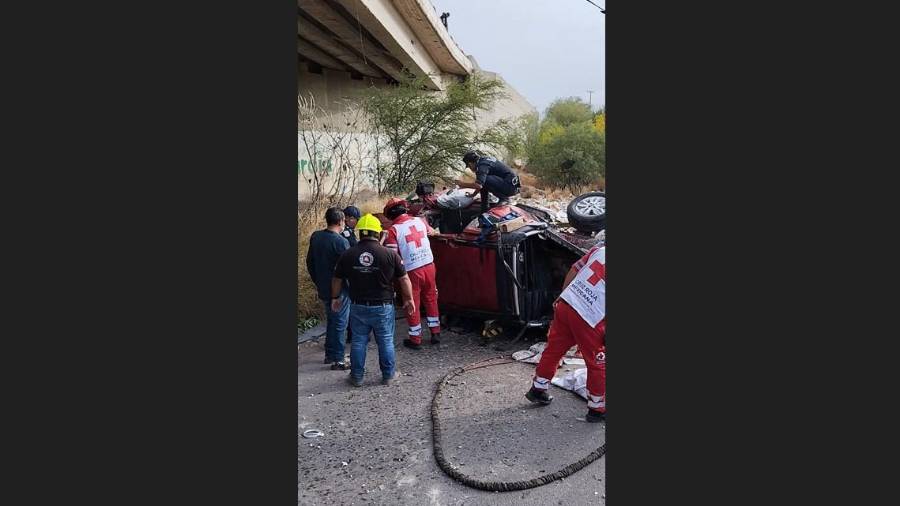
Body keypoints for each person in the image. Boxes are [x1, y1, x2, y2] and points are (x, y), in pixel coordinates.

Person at [524, 244, 606, 422]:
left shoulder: (600, 249)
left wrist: (563, 295)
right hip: (589, 317)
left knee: (554, 350)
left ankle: (538, 388)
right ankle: (597, 408)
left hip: (567, 304)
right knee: (598, 361)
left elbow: (574, 269)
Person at [332, 214, 416, 387]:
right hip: (383, 306)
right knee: (385, 340)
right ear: (377, 233)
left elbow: (336, 278)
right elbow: (404, 279)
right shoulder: (389, 255)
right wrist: (409, 299)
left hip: (358, 305)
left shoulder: (349, 254)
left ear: (360, 233)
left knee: (358, 341)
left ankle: (356, 377)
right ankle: (388, 375)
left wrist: (335, 297)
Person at [382, 197, 441, 349]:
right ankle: (436, 332)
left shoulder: (393, 231)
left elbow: (391, 256)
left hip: (412, 270)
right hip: (429, 265)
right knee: (431, 298)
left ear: (390, 215)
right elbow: (432, 233)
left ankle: (415, 339)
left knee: (411, 302)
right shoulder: (420, 221)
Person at [305, 207, 351, 370]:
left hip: (323, 287)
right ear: (340, 221)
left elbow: (309, 262)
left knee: (332, 321)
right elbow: (349, 267)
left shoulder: (316, 237)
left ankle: (330, 354)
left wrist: (318, 280)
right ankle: (338, 358)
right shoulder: (340, 242)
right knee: (339, 323)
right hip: (339, 291)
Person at [455, 151, 521, 212]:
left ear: (470, 163)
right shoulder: (483, 161)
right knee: (483, 181)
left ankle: (504, 199)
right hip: (512, 186)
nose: (470, 168)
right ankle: (484, 208)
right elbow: (480, 185)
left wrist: (462, 184)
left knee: (484, 180)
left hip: (510, 187)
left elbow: (479, 185)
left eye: (469, 166)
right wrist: (473, 195)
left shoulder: (482, 166)